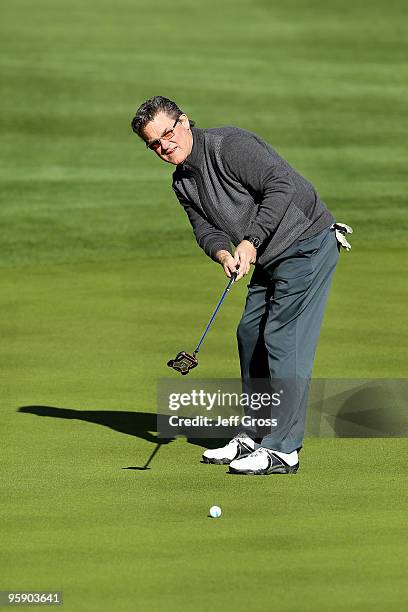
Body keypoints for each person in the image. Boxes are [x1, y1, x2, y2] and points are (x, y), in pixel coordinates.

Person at [131, 95, 352, 475]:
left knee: (283, 339)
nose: (164, 146)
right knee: (250, 333)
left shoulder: (228, 146)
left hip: (306, 243)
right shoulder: (182, 182)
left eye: (167, 133)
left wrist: (250, 240)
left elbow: (280, 185)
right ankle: (255, 433)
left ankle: (284, 449)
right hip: (268, 255)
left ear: (184, 122)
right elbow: (205, 227)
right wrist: (223, 253)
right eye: (154, 143)